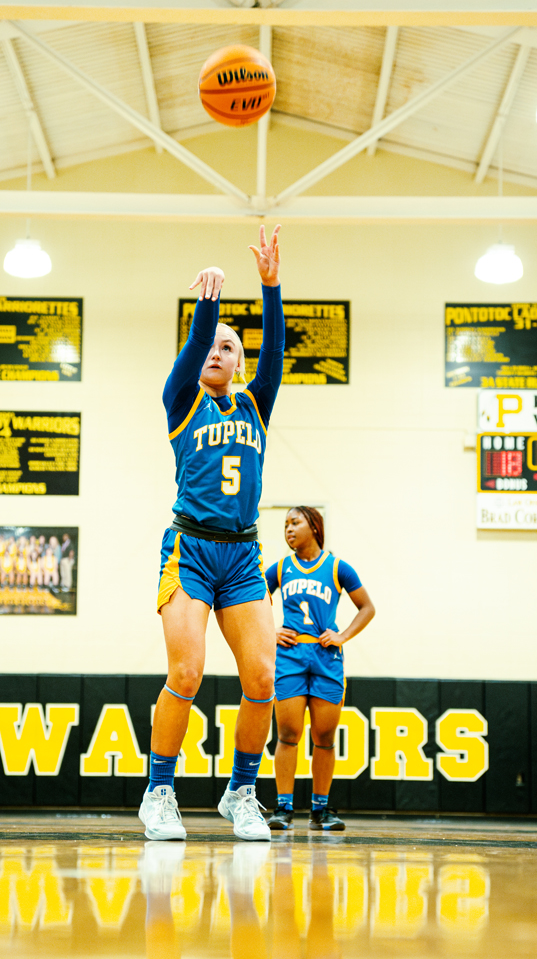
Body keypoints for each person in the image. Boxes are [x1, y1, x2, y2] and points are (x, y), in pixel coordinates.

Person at [140, 224, 284, 842]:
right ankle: (159, 792)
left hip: (243, 554)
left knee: (262, 681)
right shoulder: (181, 400)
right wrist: (209, 308)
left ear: (242, 362)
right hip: (190, 550)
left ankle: (242, 793)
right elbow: (199, 340)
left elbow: (276, 350)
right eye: (210, 346)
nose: (218, 352)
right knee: (188, 672)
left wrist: (271, 288)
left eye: (229, 347)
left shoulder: (256, 403)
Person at [265, 506, 375, 832]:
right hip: (290, 654)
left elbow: (367, 608)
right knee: (288, 734)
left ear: (314, 526)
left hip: (327, 656)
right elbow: (253, 600)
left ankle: (320, 810)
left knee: (324, 737)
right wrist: (270, 631)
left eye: (294, 522)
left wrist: (343, 635)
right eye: (285, 524)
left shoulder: (338, 567)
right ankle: (283, 808)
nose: (288, 529)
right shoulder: (281, 567)